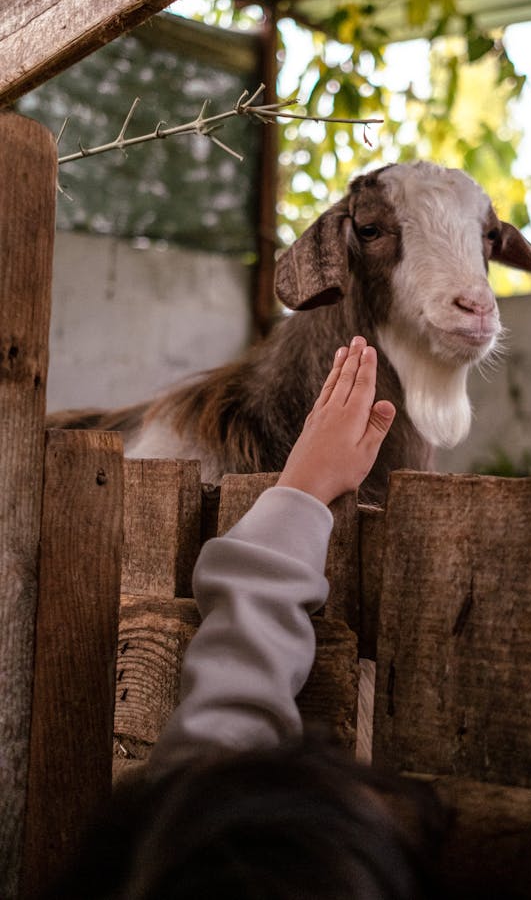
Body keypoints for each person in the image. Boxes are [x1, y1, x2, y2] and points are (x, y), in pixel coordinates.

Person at [44, 338, 448, 900]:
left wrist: (300, 488)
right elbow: (215, 762)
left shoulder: (192, 850)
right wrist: (304, 493)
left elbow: (215, 769)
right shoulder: (192, 843)